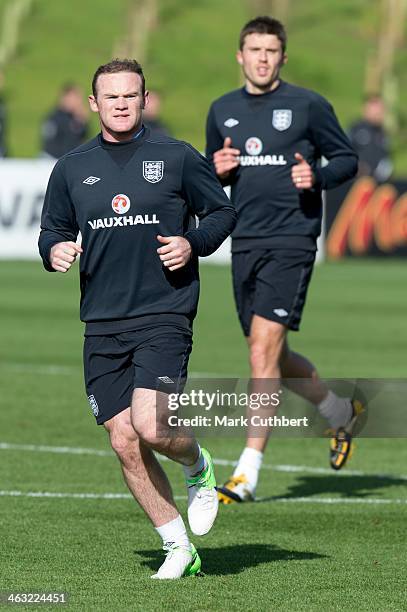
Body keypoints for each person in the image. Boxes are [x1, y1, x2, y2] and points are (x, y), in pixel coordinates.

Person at [39, 59, 236, 577]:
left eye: (131, 96)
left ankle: (197, 465)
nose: (121, 104)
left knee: (151, 425)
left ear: (144, 100)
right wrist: (54, 249)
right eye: (111, 97)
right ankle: (177, 546)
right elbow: (50, 230)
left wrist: (191, 243)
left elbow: (221, 212)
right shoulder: (71, 167)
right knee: (123, 440)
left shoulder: (175, 157)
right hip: (101, 321)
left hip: (164, 311)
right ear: (93, 104)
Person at [205, 16, 363, 504]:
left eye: (271, 50)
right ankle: (341, 412)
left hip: (292, 240)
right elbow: (215, 175)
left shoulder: (308, 105)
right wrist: (218, 170)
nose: (262, 58)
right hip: (244, 240)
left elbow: (347, 160)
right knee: (272, 354)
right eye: (254, 49)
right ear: (240, 55)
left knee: (261, 351)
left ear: (283, 57)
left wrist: (315, 177)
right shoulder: (222, 110)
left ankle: (247, 474)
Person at [349, 94, 393, 182]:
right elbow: (344, 153)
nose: (378, 113)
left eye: (381, 110)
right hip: (358, 183)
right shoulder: (356, 129)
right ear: (365, 109)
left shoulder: (383, 133)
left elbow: (386, 159)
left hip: (378, 183)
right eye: (375, 109)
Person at [40, 83, 89, 158]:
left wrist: (81, 122)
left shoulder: (76, 118)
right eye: (75, 98)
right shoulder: (56, 118)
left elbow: (83, 139)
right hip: (52, 160)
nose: (78, 102)